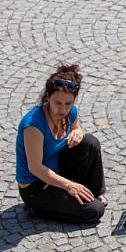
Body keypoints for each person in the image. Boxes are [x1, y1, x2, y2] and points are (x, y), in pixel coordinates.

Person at [15, 64, 107, 224]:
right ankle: (37, 209)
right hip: (36, 186)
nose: (62, 109)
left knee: (90, 142)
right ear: (47, 98)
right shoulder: (33, 125)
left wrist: (78, 131)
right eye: (58, 103)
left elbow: (76, 127)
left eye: (68, 103)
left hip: (58, 170)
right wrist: (69, 185)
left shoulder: (71, 112)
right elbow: (35, 168)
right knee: (95, 211)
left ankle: (95, 192)